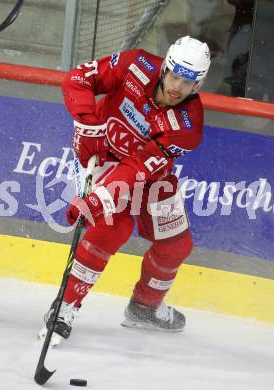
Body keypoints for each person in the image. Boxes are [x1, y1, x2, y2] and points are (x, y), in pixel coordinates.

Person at [39, 36, 211, 345]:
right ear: (165, 68)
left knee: (176, 245)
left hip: (148, 174)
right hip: (101, 157)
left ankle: (144, 308)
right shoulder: (136, 65)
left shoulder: (188, 125)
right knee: (112, 228)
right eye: (174, 76)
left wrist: (96, 198)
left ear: (197, 86)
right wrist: (88, 125)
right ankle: (64, 306)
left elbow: (138, 167)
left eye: (187, 83)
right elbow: (77, 79)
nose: (176, 87)